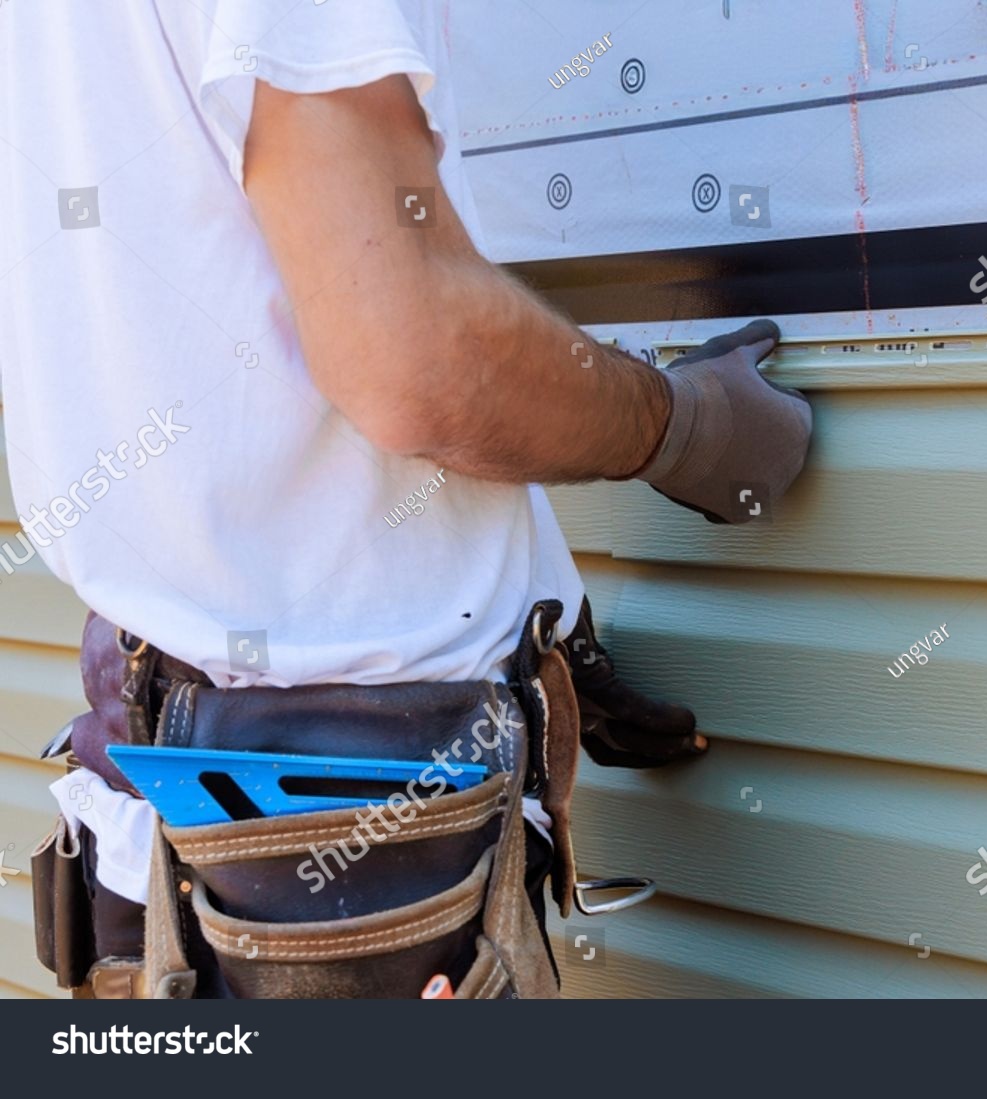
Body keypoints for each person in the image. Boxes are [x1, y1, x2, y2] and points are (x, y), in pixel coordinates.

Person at [0, 0, 811, 999]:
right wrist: (681, 429)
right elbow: (410, 356)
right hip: (356, 900)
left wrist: (508, 588)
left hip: (159, 851)